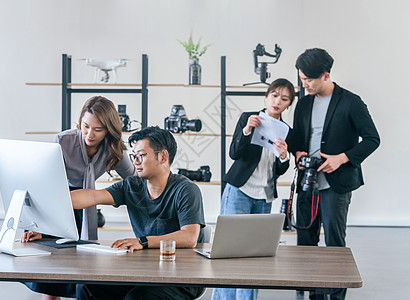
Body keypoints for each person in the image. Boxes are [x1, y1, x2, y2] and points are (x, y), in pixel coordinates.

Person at [71, 126, 206, 300]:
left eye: (141, 156)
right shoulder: (131, 186)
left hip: (182, 276)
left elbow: (189, 237)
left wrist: (142, 241)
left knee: (138, 298)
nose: (135, 162)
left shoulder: (186, 190)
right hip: (145, 271)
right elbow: (93, 196)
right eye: (134, 156)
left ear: (163, 156)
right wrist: (53, 200)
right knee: (88, 287)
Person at [22, 96, 137, 300]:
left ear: (109, 130)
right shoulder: (63, 141)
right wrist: (37, 224)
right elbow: (44, 183)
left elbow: (136, 181)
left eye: (98, 129)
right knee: (51, 277)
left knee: (82, 273)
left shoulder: (115, 149)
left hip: (86, 204)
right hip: (57, 202)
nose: (89, 134)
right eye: (85, 126)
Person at [289, 48, 380, 300]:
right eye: (301, 79)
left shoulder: (351, 102)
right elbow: (298, 137)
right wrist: (298, 153)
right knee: (305, 241)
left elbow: (372, 139)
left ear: (326, 76)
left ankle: (336, 296)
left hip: (336, 184)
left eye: (309, 80)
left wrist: (342, 158)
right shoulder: (304, 102)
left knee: (334, 242)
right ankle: (313, 292)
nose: (304, 84)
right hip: (307, 181)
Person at [211, 78, 295, 300]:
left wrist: (284, 156)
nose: (278, 101)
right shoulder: (248, 118)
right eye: (275, 95)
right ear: (266, 96)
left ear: (289, 104)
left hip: (264, 196)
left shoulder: (286, 131)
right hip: (239, 190)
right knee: (229, 249)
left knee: (255, 254)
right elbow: (234, 154)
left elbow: (279, 170)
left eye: (284, 99)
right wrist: (247, 130)